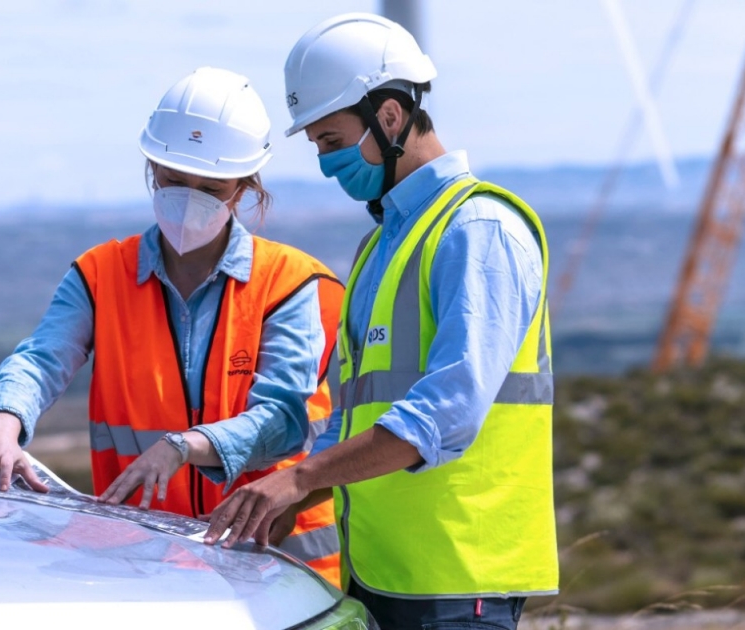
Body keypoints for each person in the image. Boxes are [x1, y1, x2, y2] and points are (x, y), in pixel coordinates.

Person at [204, 14, 557, 629]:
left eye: (332, 142)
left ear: (389, 116)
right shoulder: (383, 246)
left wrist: (297, 481)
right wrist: (303, 493)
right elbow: (357, 414)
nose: (324, 163)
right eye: (316, 145)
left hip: (459, 584)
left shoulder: (477, 231)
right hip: (383, 576)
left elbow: (447, 412)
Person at [0, 66, 344, 586]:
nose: (189, 196)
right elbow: (42, 359)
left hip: (276, 566)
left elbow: (282, 419)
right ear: (151, 167)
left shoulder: (292, 283)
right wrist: (4, 423)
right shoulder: (100, 276)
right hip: (147, 565)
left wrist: (185, 446)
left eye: (211, 186)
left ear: (245, 188)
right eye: (175, 178)